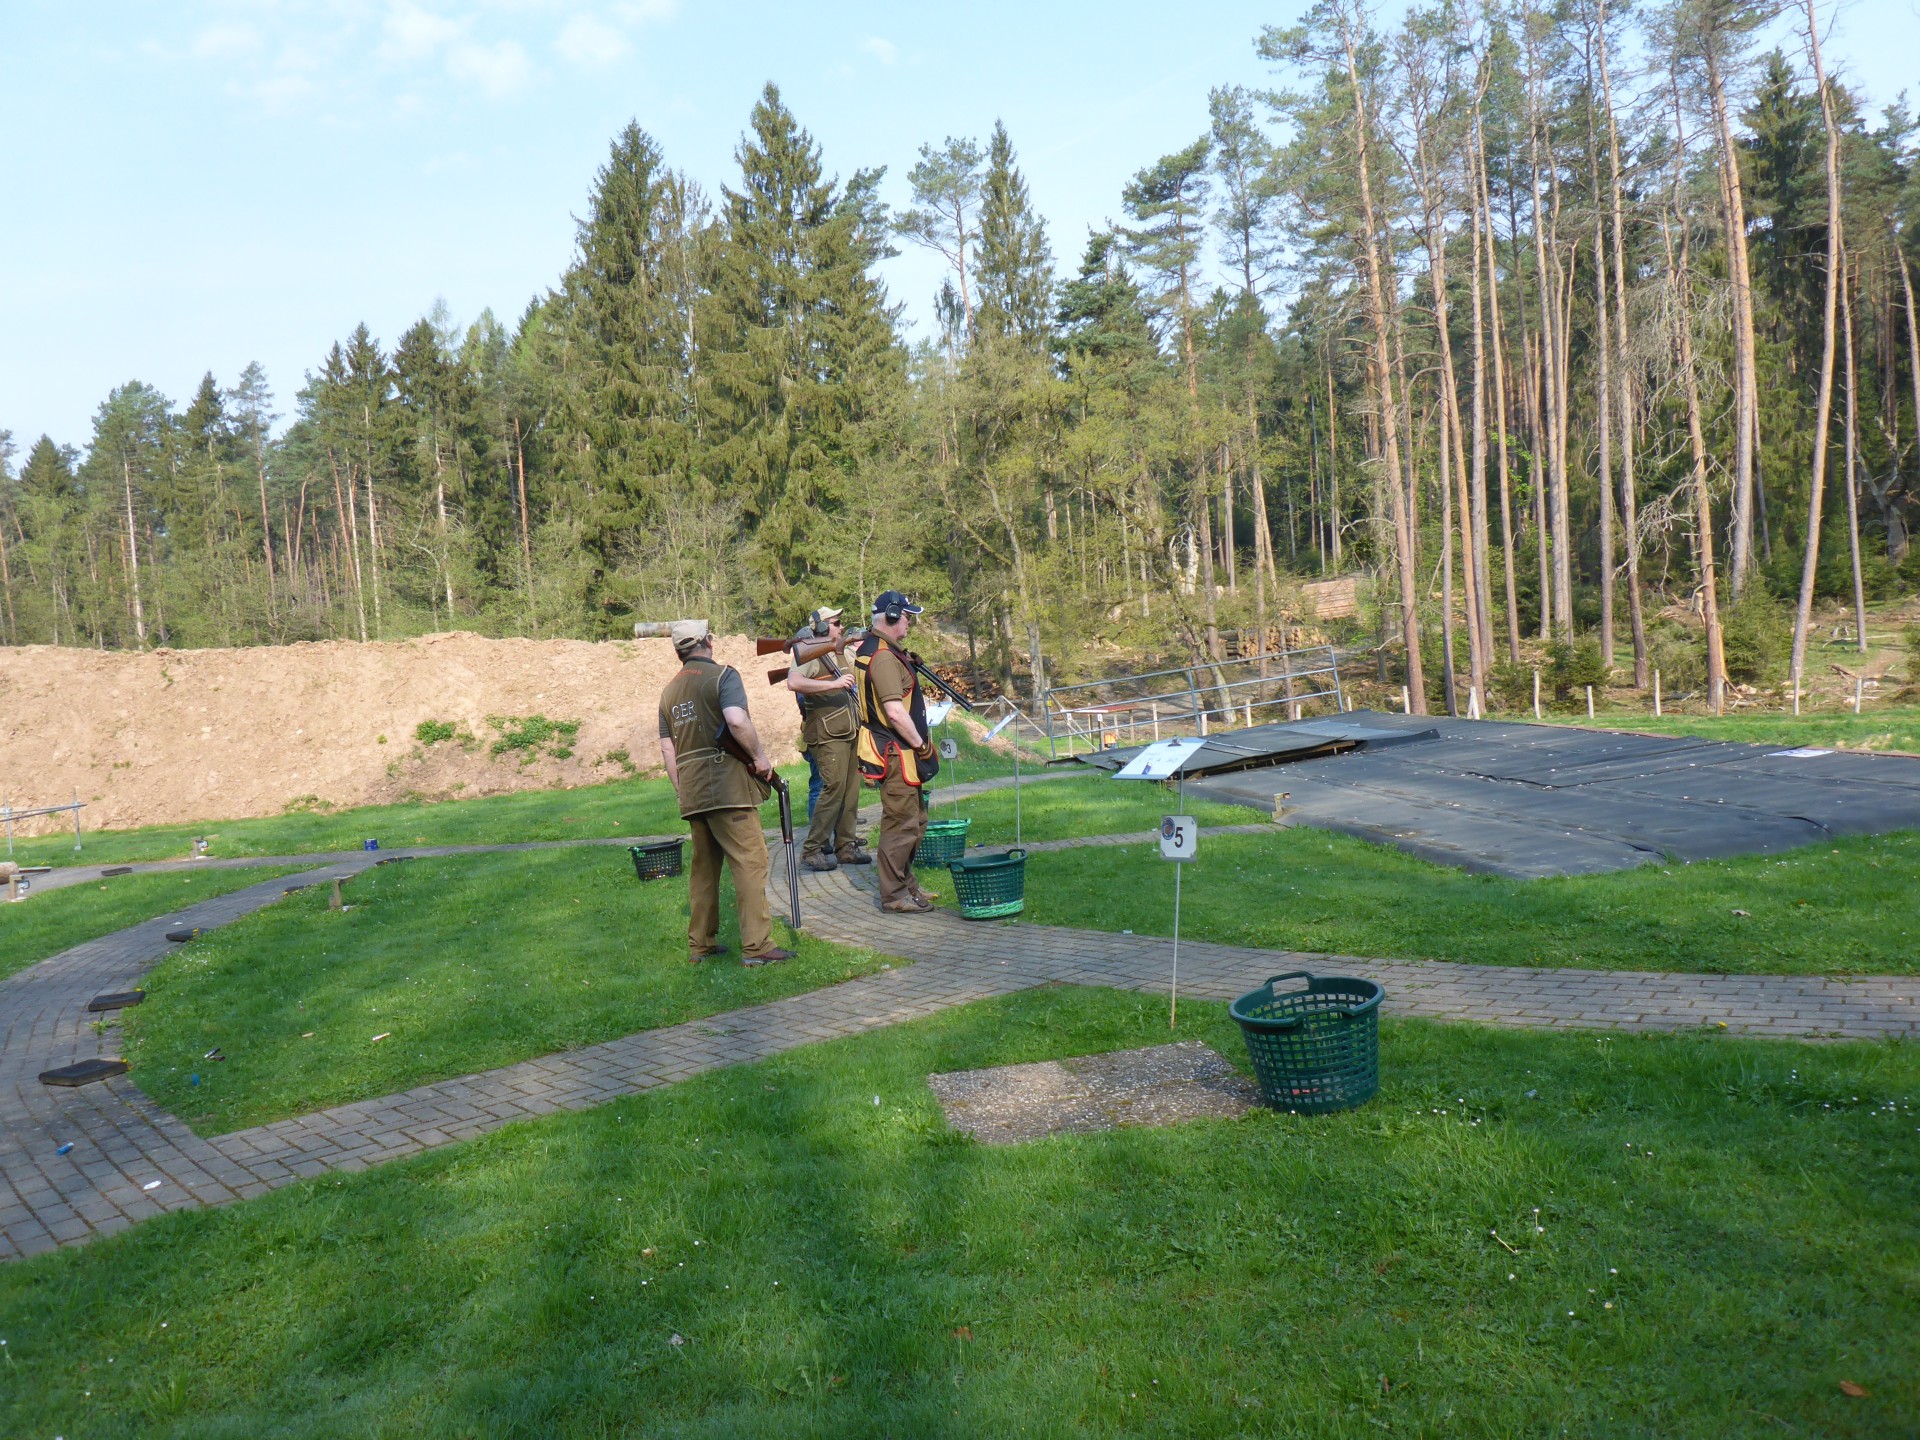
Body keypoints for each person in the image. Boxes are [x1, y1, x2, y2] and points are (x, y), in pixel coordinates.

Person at [656, 620, 794, 966]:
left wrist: (681, 789)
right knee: (751, 862)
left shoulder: (668, 693)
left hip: (692, 790)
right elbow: (736, 720)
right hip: (727, 788)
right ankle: (757, 946)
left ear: (679, 652)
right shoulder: (723, 676)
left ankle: (701, 944)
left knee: (704, 870)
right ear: (708, 642)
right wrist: (760, 757)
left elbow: (668, 749)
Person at [853, 590, 941, 913]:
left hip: (895, 748)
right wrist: (922, 745)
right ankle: (894, 896)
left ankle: (906, 884)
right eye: (906, 616)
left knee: (916, 819)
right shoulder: (884, 657)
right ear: (890, 616)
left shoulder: (880, 649)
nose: (909, 622)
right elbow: (894, 712)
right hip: (897, 750)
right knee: (901, 825)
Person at [785, 606, 872, 872]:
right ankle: (812, 849)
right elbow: (793, 682)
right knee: (832, 789)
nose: (841, 626)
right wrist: (832, 684)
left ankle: (845, 846)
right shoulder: (809, 652)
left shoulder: (840, 651)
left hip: (849, 729)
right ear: (821, 627)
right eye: (836, 622)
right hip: (826, 733)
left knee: (850, 791)